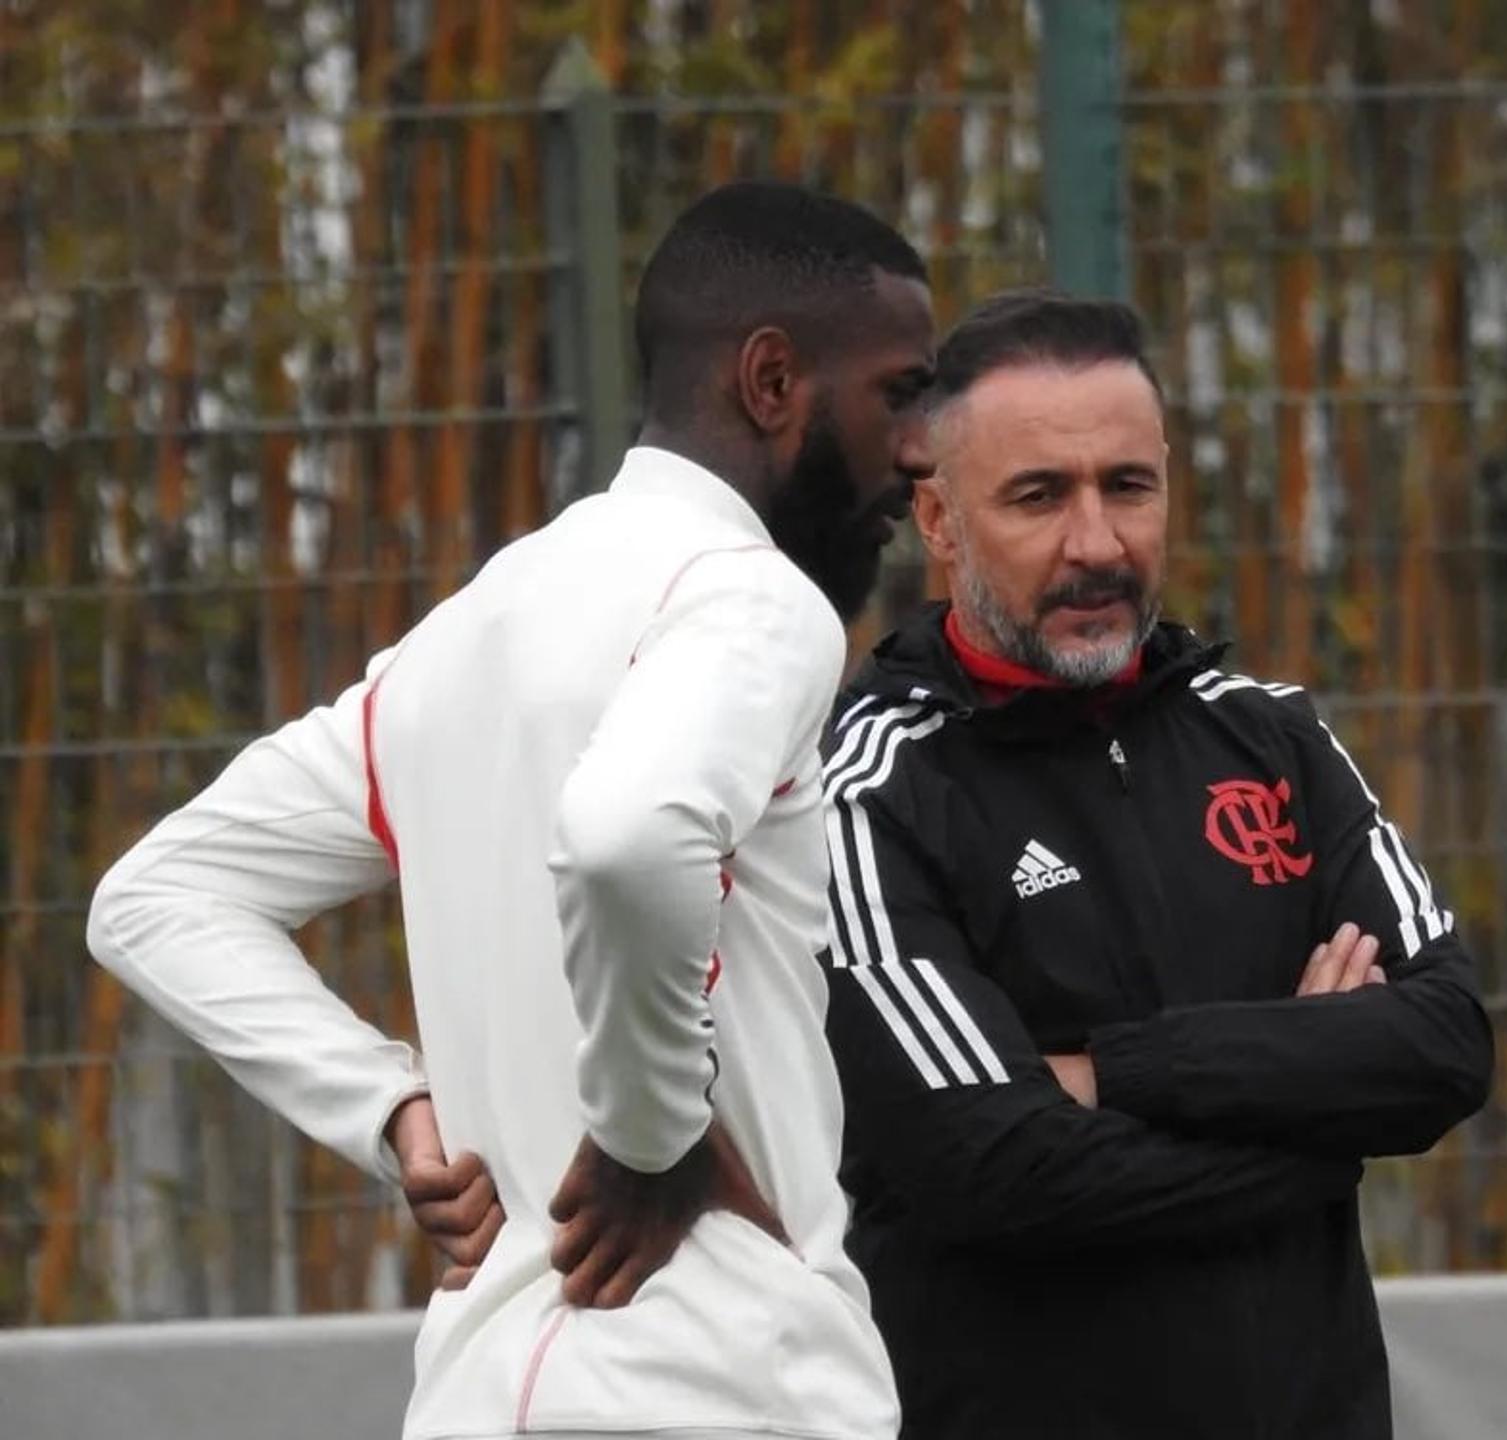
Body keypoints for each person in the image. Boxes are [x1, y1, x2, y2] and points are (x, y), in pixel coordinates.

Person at [86, 181, 936, 1440]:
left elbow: (154, 899)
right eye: (900, 393)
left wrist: (392, 1113)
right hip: (720, 1385)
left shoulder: (461, 638)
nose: (918, 450)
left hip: (483, 1394)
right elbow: (628, 838)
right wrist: (650, 1139)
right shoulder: (755, 602)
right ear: (771, 382)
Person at [818, 289, 1494, 1438]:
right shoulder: (869, 790)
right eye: (1039, 497)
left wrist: (1112, 1073)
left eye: (1128, 487)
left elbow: (1446, 1043)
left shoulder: (1273, 736)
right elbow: (997, 1166)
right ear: (938, 521)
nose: (1098, 544)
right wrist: (1321, 1129)